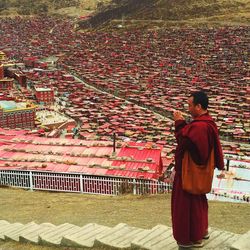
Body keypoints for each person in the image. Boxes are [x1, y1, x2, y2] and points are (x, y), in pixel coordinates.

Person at [171, 91, 224, 248]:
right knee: (198, 203)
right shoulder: (206, 123)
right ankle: (201, 232)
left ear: (199, 106)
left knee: (185, 207)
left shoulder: (200, 126)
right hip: (196, 172)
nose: (188, 108)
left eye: (190, 105)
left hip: (189, 172)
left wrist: (179, 122)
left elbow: (184, 141)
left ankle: (190, 239)